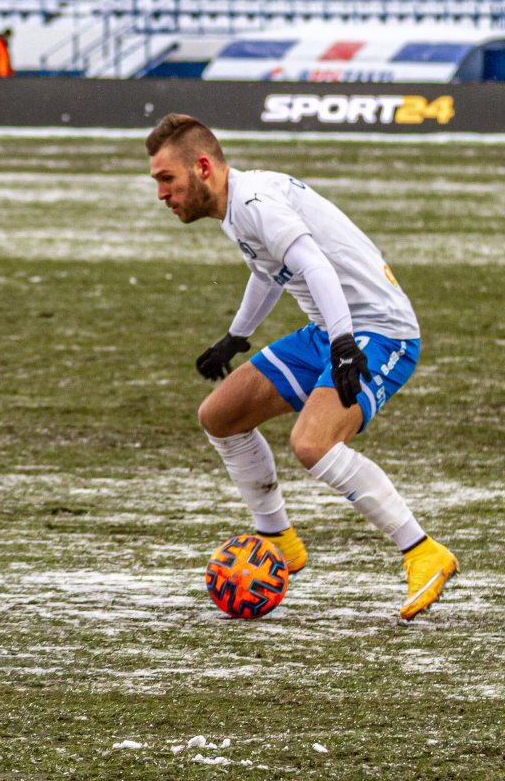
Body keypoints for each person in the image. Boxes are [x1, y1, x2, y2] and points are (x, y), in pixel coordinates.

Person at [145, 113, 458, 621]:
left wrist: (342, 345)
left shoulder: (254, 203)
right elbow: (270, 274)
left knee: (312, 444)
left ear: (203, 167)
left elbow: (315, 265)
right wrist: (236, 337)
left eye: (166, 179)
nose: (161, 194)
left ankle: (422, 550)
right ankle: (279, 539)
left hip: (379, 331)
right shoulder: (237, 206)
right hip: (331, 330)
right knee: (220, 416)